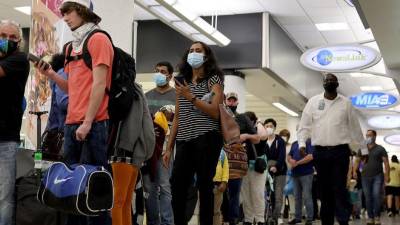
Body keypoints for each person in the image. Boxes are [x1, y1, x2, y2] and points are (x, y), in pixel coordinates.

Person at [36, 1, 113, 224]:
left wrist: (88, 122)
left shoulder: (98, 39)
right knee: (72, 192)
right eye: (64, 13)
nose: (65, 17)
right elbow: (72, 88)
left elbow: (99, 85)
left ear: (82, 12)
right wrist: (50, 74)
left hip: (93, 123)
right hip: (71, 123)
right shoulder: (71, 47)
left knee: (94, 192)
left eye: (69, 12)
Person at [162, 41, 224, 225]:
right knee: (177, 186)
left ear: (206, 56)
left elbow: (214, 110)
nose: (193, 53)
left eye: (198, 50)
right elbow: (178, 116)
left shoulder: (214, 80)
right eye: (191, 50)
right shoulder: (181, 81)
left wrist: (191, 97)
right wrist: (169, 147)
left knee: (204, 186)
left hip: (207, 138)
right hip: (184, 140)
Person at [297, 73, 365, 225]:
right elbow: (304, 126)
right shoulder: (313, 102)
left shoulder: (346, 103)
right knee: (324, 189)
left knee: (339, 188)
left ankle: (343, 220)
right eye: (326, 80)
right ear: (323, 84)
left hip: (340, 151)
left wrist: (363, 149)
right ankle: (326, 221)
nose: (329, 82)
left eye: (332, 80)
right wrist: (302, 144)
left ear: (337, 84)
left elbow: (355, 128)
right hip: (320, 152)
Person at [0, 19, 30, 225]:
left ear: (19, 42)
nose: (7, 40)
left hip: (5, 139)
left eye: (12, 37)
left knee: (4, 195)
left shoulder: (19, 59)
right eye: (2, 36)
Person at [143, 61, 175, 225]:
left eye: (163, 71)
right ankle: (153, 222)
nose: (159, 74)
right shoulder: (146, 96)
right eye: (156, 71)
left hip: (166, 149)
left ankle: (167, 222)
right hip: (148, 149)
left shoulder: (177, 96)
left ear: (170, 76)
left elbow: (180, 125)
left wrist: (169, 149)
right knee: (149, 188)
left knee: (164, 187)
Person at [224, 95, 262, 225]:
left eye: (234, 100)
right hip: (221, 160)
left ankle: (233, 220)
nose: (232, 102)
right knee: (220, 192)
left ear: (238, 102)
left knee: (235, 193)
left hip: (237, 161)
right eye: (229, 100)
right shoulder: (218, 116)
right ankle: (221, 219)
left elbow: (257, 138)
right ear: (225, 101)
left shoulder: (243, 118)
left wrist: (245, 136)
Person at [353, 130, 389, 225]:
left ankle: (377, 216)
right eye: (366, 135)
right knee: (368, 197)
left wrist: (387, 176)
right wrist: (354, 171)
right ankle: (370, 217)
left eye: (370, 135)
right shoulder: (363, 149)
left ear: (374, 136)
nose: (368, 137)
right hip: (365, 177)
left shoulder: (380, 149)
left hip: (378, 175)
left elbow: (386, 162)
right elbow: (357, 161)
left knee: (376, 195)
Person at [241, 111, 267, 225]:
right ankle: (248, 219)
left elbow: (263, 136)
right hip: (244, 167)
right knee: (246, 195)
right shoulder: (241, 133)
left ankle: (260, 219)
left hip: (258, 168)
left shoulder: (258, 131)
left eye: (249, 121)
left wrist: (259, 122)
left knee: (257, 194)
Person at [264, 118, 287, 225]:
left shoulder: (280, 141)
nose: (269, 128)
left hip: (279, 172)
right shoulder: (263, 140)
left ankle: (274, 217)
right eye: (267, 126)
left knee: (278, 196)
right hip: (266, 172)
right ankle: (265, 216)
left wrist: (276, 166)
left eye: (271, 126)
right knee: (268, 195)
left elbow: (282, 156)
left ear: (274, 128)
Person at [287, 138, 314, 225]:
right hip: (295, 174)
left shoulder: (309, 142)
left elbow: (310, 156)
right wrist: (290, 160)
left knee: (307, 196)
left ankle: (309, 218)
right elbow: (289, 155)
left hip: (306, 174)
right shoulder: (295, 143)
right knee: (297, 197)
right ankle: (297, 218)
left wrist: (297, 163)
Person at [213, 149, 229, 225]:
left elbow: (226, 169)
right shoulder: (202, 148)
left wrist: (224, 182)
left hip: (218, 185)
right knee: (204, 210)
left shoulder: (222, 153)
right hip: (204, 185)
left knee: (216, 211)